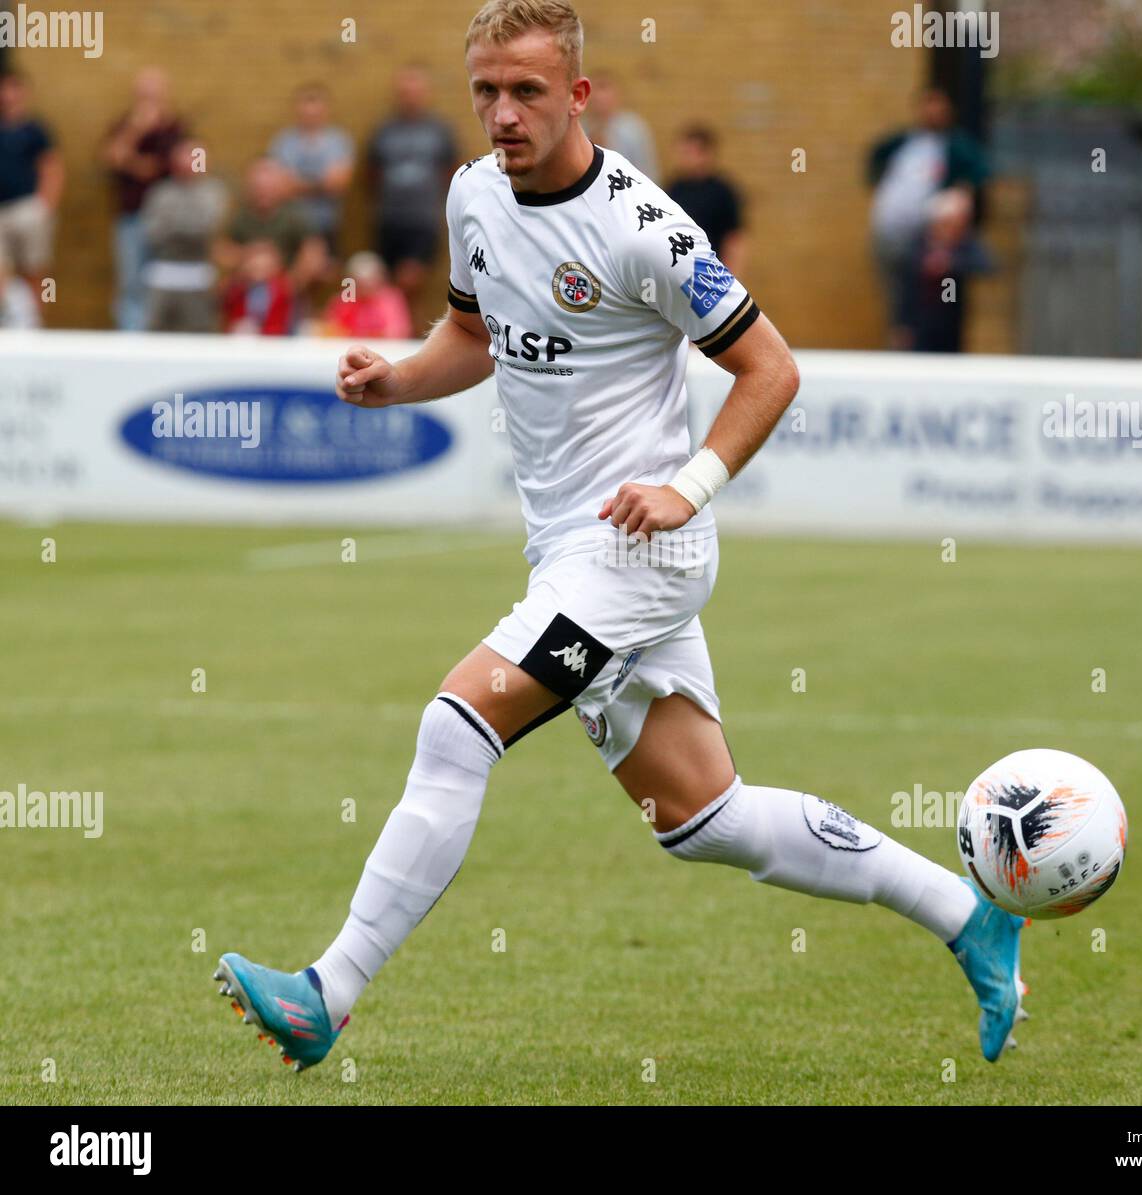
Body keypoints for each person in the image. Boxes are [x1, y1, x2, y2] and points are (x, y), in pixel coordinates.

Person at [214, 0, 1029, 1075]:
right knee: (706, 817)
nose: (502, 114)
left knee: (460, 725)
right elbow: (473, 331)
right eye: (486, 93)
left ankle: (329, 989)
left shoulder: (647, 229)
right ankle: (970, 918)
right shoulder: (472, 196)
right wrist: (397, 382)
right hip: (567, 552)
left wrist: (689, 486)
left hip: (638, 554)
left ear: (579, 94)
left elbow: (770, 369)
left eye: (527, 93)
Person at [866, 86, 989, 349]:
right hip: (890, 235)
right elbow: (875, 158)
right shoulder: (905, 142)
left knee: (929, 300)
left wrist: (954, 207)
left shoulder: (956, 146)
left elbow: (978, 173)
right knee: (899, 294)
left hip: (925, 238)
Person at [367, 64, 459, 322]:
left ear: (425, 93)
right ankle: (394, 335)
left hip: (422, 221)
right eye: (405, 92)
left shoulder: (439, 131)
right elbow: (372, 172)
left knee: (409, 282)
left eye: (415, 91)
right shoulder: (384, 131)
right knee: (388, 290)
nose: (410, 96)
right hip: (389, 220)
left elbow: (451, 170)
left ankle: (409, 344)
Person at [102, 67, 186, 331]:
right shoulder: (124, 125)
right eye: (143, 95)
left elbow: (168, 168)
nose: (148, 100)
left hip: (170, 223)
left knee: (165, 281)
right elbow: (111, 158)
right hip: (132, 216)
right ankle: (132, 337)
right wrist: (135, 131)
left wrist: (131, 162)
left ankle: (163, 335)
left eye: (154, 94)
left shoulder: (176, 129)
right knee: (131, 282)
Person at [140, 138, 227, 333]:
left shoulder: (213, 192)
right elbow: (153, 232)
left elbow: (206, 226)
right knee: (156, 330)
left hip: (198, 273)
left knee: (198, 330)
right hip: (164, 270)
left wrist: (174, 224)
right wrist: (187, 225)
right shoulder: (160, 193)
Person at [897, 188, 993, 354]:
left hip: (950, 317)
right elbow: (906, 284)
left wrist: (951, 264)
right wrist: (902, 322)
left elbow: (986, 264)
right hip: (921, 319)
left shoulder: (963, 245)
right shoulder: (920, 242)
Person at [214, 157, 327, 294]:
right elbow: (221, 250)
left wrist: (290, 283)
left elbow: (314, 252)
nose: (263, 192)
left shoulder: (295, 215)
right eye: (258, 187)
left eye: (269, 187)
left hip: (285, 289)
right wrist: (247, 255)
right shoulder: (239, 215)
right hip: (246, 287)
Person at [0, 71, 62, 318]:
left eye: (13, 89)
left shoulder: (35, 130)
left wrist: (44, 207)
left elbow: (52, 168)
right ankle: (7, 321)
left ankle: (35, 323)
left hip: (28, 209)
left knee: (34, 270)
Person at [270, 82, 354, 252]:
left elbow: (339, 184)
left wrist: (298, 184)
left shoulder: (339, 141)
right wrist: (322, 183)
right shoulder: (283, 142)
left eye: (316, 106)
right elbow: (281, 187)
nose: (311, 113)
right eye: (306, 106)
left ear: (326, 109)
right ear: (297, 109)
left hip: (327, 225)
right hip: (289, 227)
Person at [665, 124, 746, 277]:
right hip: (680, 272)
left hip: (713, 272)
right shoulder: (674, 188)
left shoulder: (723, 191)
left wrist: (731, 276)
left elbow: (735, 239)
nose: (682, 157)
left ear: (705, 154)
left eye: (689, 152)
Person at [319, 251, 412, 339]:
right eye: (360, 283)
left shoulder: (391, 299)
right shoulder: (344, 300)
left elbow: (398, 332)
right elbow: (331, 330)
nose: (365, 287)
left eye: (370, 281)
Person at [582, 72, 657, 179]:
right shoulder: (579, 129)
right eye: (594, 90)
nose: (599, 96)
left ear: (617, 94)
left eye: (604, 88)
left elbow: (646, 169)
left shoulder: (634, 129)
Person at [221, 239, 295, 336]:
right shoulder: (238, 289)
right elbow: (229, 317)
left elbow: (282, 322)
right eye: (255, 263)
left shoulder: (283, 289)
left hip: (273, 341)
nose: (259, 267)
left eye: (264, 264)